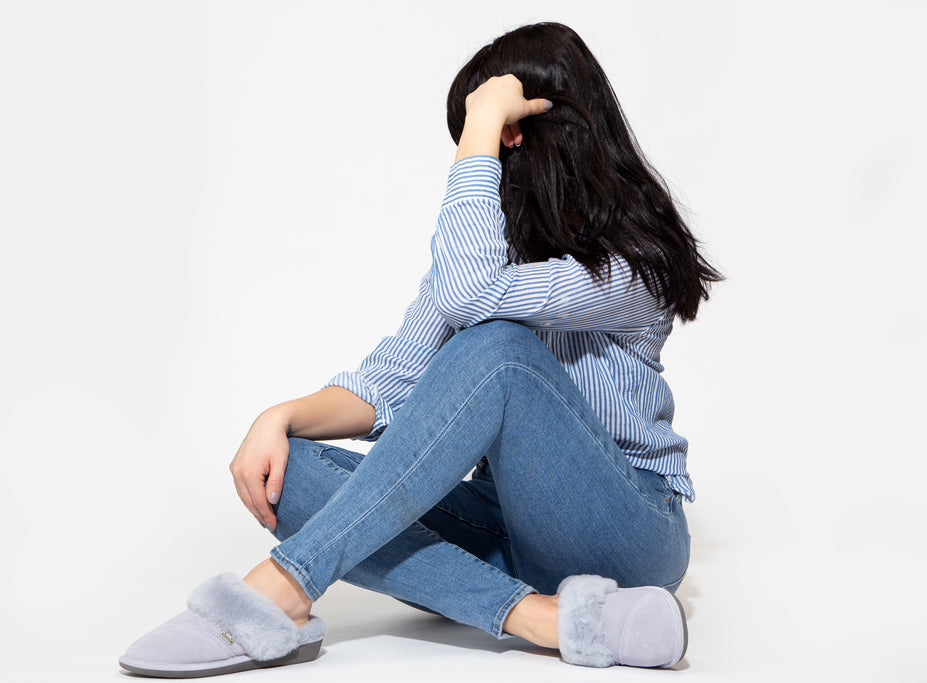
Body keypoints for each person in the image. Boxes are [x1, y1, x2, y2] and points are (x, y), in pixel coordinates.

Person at [119, 21, 722, 677]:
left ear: (512, 133)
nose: (477, 157)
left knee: (497, 349)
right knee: (284, 474)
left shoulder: (632, 265)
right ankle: (542, 617)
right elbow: (388, 383)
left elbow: (472, 300)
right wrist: (280, 417)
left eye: (484, 136)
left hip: (630, 530)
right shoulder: (483, 264)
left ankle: (284, 586)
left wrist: (481, 118)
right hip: (511, 534)